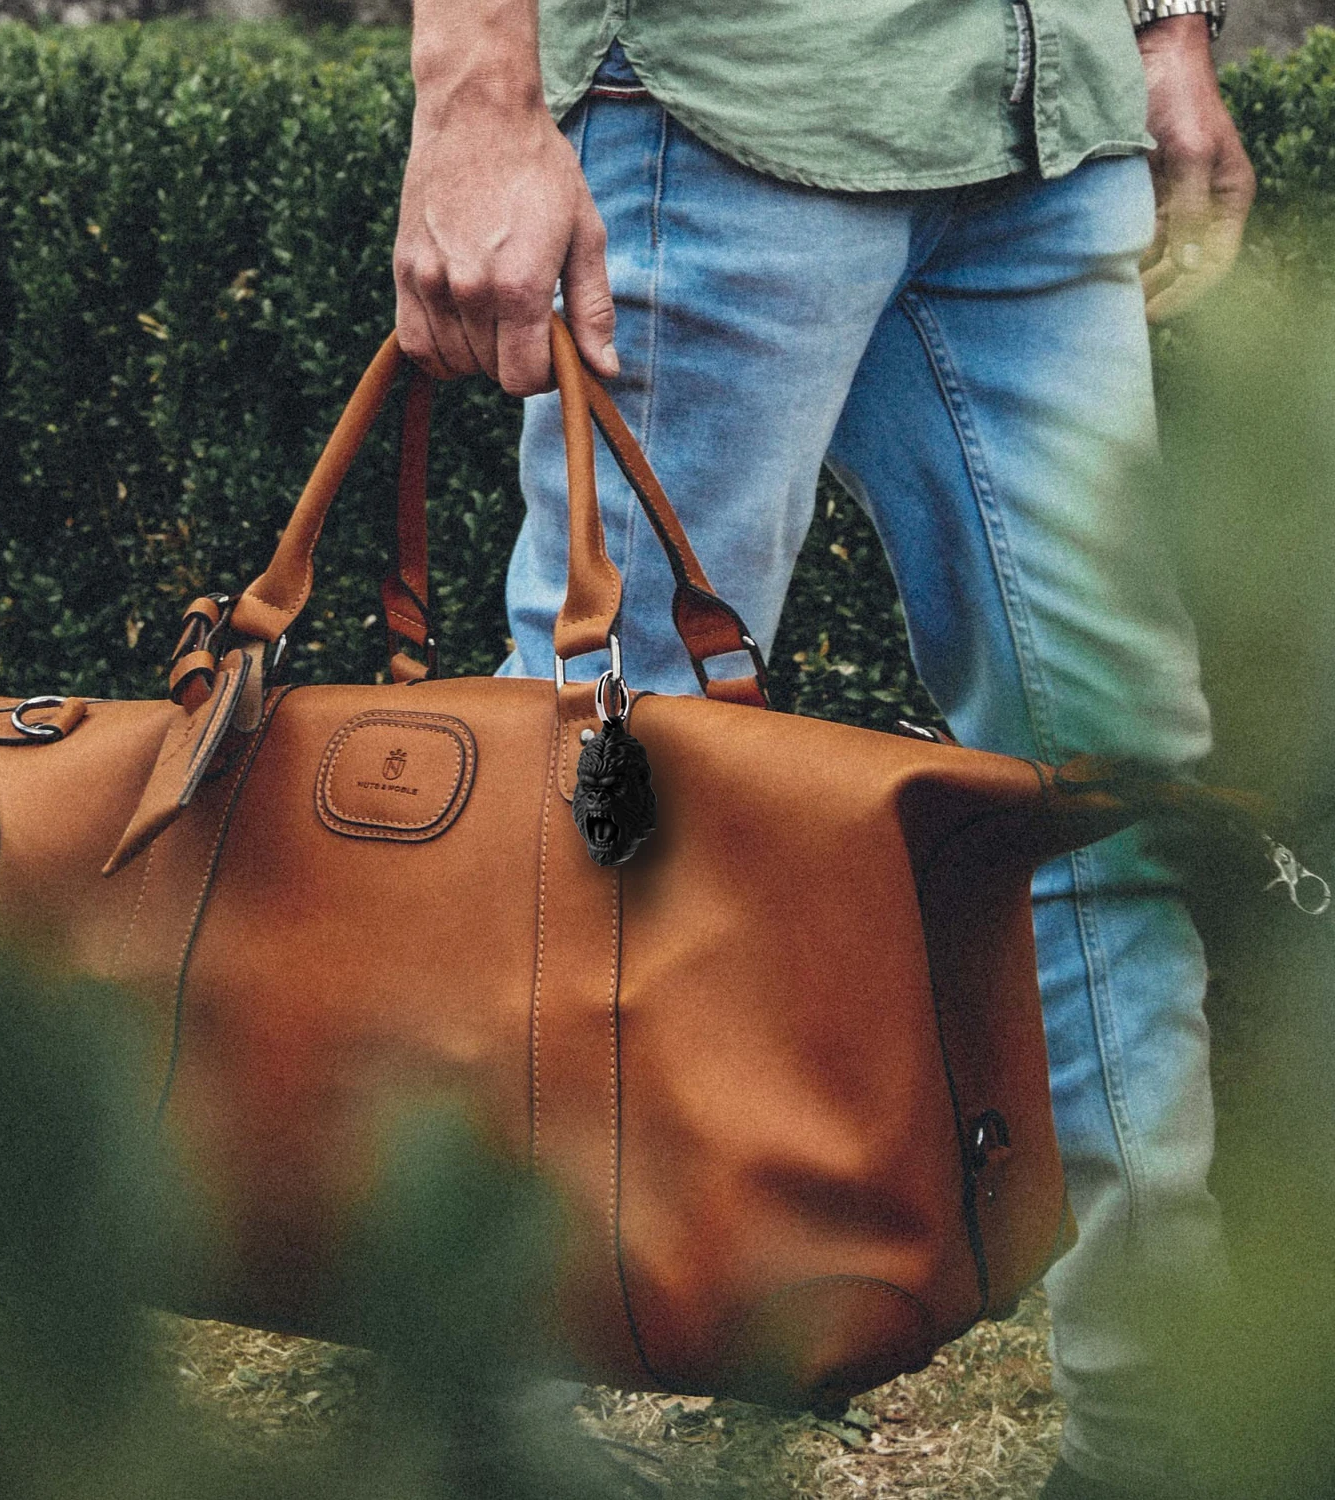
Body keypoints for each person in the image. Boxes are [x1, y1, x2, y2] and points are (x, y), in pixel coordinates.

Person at [391, 1, 1257, 1495]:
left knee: (1108, 785)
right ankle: (486, 1425)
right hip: (737, 98)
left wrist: (1168, 26)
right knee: (601, 786)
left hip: (1048, 120)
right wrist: (473, 93)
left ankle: (1161, 1440)